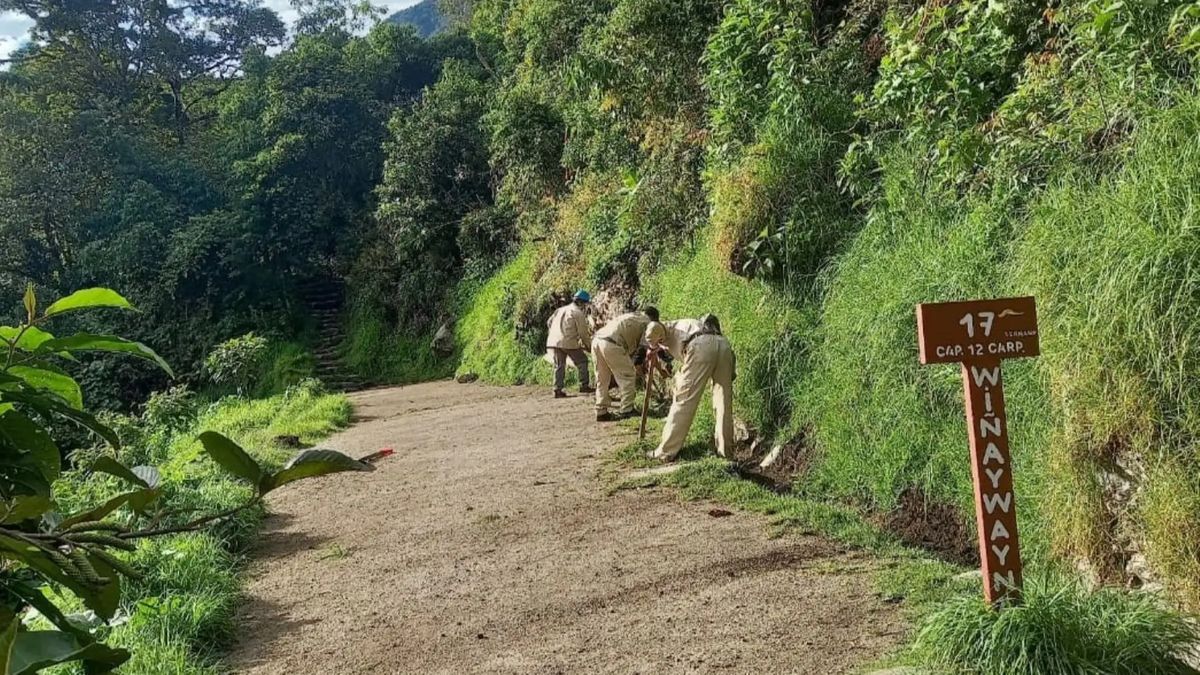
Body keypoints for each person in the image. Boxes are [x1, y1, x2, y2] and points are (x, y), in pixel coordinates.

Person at [649, 314, 736, 462]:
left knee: (684, 400)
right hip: (723, 344)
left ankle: (666, 451)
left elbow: (656, 330)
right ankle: (725, 452)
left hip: (700, 347)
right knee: (723, 402)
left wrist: (652, 346)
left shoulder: (667, 328)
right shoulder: (685, 326)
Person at [592, 306, 662, 421]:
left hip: (597, 340)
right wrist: (637, 364)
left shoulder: (633, 316)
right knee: (628, 376)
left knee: (602, 378)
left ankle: (601, 411)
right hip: (612, 344)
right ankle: (627, 409)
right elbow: (643, 348)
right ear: (655, 319)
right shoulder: (649, 324)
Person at [546, 290, 595, 399]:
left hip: (553, 341)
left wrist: (555, 332)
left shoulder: (560, 310)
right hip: (568, 341)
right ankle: (584, 385)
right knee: (582, 361)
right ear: (582, 303)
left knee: (559, 365)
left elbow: (549, 322)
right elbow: (583, 333)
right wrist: (590, 347)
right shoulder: (578, 313)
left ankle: (557, 390)